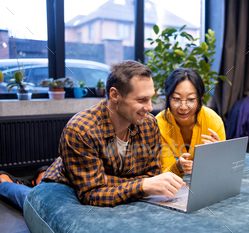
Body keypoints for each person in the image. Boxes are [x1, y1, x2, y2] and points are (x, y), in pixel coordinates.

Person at [0, 60, 185, 209]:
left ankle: (42, 171)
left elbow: (151, 175)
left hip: (88, 174)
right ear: (114, 95)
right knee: (29, 200)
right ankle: (5, 182)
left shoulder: (149, 124)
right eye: (141, 99)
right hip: (67, 184)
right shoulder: (80, 129)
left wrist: (108, 180)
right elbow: (92, 194)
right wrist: (141, 185)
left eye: (151, 97)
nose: (150, 107)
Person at [156, 68, 226, 178]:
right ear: (168, 97)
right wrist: (178, 166)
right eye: (176, 98)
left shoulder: (214, 121)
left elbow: (222, 170)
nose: (183, 107)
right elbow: (163, 172)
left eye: (191, 99)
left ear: (200, 97)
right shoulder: (158, 125)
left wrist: (218, 154)